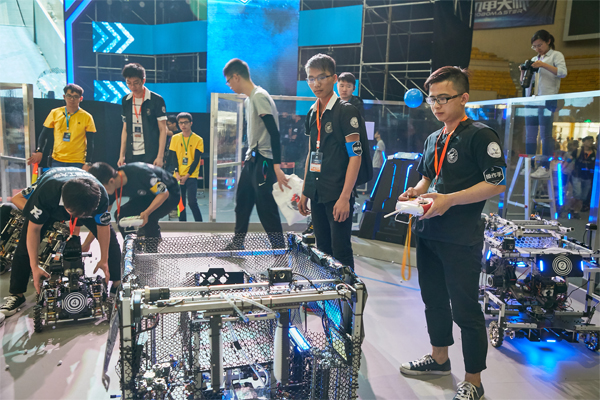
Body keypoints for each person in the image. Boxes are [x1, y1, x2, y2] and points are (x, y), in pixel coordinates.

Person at [397, 66, 506, 400]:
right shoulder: (434, 138)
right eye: (432, 99)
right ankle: (439, 359)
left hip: (460, 237)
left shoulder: (480, 136)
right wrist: (414, 192)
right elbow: (427, 178)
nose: (437, 105)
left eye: (444, 98)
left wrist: (450, 200)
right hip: (429, 231)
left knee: (465, 310)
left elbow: (496, 183)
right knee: (433, 301)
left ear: (464, 98)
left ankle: (473, 381)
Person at [0, 168, 116, 317]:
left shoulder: (99, 195)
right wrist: (34, 266)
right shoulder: (46, 193)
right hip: (50, 207)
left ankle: (117, 284)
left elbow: (103, 227)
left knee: (112, 241)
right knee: (23, 247)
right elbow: (33, 230)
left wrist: (104, 259)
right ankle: (17, 294)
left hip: (83, 203)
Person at [297, 54, 362, 269]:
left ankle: (347, 291)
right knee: (322, 249)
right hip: (317, 192)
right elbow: (311, 152)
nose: (316, 84)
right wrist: (305, 190)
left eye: (321, 77)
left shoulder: (346, 111)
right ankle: (327, 291)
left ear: (334, 78)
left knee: (340, 250)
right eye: (311, 78)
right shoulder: (312, 112)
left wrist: (345, 197)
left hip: (338, 193)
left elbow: (355, 156)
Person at [222, 58, 290, 249]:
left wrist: (276, 166)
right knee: (242, 201)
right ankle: (238, 243)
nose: (229, 85)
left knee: (265, 206)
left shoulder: (259, 96)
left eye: (228, 81)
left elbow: (274, 133)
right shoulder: (249, 100)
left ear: (236, 77)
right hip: (252, 159)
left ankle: (279, 249)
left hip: (265, 161)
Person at [520, 30, 567, 179]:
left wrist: (543, 65)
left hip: (547, 99)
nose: (537, 49)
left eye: (539, 45)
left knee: (545, 135)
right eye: (534, 46)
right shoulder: (534, 59)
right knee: (530, 134)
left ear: (548, 41)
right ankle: (529, 165)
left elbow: (562, 72)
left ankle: (545, 166)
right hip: (532, 99)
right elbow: (524, 83)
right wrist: (523, 71)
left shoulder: (556, 55)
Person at [88, 162, 179, 239]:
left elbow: (163, 193)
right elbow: (102, 219)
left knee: (149, 217)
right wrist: (86, 244)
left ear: (111, 181)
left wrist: (147, 212)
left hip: (170, 193)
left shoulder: (140, 172)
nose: (103, 192)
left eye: (103, 188)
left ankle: (152, 246)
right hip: (146, 196)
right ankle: (133, 246)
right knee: (121, 216)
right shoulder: (111, 187)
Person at [27, 84, 96, 171]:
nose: (72, 99)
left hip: (78, 161)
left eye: (75, 96)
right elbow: (44, 134)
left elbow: (90, 141)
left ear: (81, 99)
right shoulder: (55, 113)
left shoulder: (87, 116)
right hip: (57, 160)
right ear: (64, 97)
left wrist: (88, 163)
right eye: (69, 96)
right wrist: (39, 151)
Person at [118, 63, 168, 167]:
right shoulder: (126, 100)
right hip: (131, 154)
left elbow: (163, 129)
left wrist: (160, 156)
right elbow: (125, 129)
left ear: (143, 81)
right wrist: (122, 155)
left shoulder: (156, 100)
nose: (132, 87)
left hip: (151, 153)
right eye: (129, 83)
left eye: (136, 83)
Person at [167, 112, 204, 222]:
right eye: (181, 123)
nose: (183, 125)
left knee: (192, 202)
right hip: (178, 175)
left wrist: (187, 175)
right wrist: (177, 173)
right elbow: (173, 157)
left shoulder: (198, 139)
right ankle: (182, 224)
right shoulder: (175, 138)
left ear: (191, 123)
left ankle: (200, 224)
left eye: (185, 122)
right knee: (180, 203)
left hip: (191, 175)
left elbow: (196, 160)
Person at [566, 136, 596, 218]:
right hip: (577, 175)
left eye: (592, 141)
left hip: (588, 177)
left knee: (583, 197)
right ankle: (574, 210)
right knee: (577, 194)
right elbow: (569, 159)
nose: (591, 143)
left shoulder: (595, 152)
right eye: (588, 141)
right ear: (583, 142)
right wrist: (562, 167)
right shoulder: (578, 151)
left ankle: (573, 209)